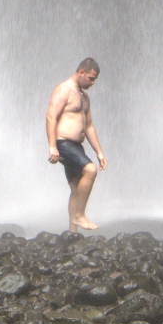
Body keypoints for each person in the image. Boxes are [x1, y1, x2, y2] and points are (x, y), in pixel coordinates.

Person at [47, 58, 106, 232]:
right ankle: (80, 215)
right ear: (81, 72)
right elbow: (51, 117)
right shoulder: (63, 90)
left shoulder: (84, 97)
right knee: (90, 170)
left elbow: (88, 126)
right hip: (63, 143)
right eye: (90, 78)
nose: (93, 82)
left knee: (76, 187)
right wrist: (52, 146)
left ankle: (72, 233)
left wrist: (99, 152)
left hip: (76, 146)